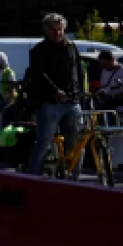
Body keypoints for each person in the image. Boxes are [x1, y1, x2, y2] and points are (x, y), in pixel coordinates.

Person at [26, 13, 84, 177]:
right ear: (46, 30)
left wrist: (81, 93)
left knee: (76, 143)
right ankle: (32, 179)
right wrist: (55, 91)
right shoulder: (39, 50)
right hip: (50, 102)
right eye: (54, 30)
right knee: (43, 143)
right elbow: (39, 75)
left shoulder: (71, 47)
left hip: (72, 101)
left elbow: (78, 71)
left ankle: (74, 179)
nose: (58, 33)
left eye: (60, 29)